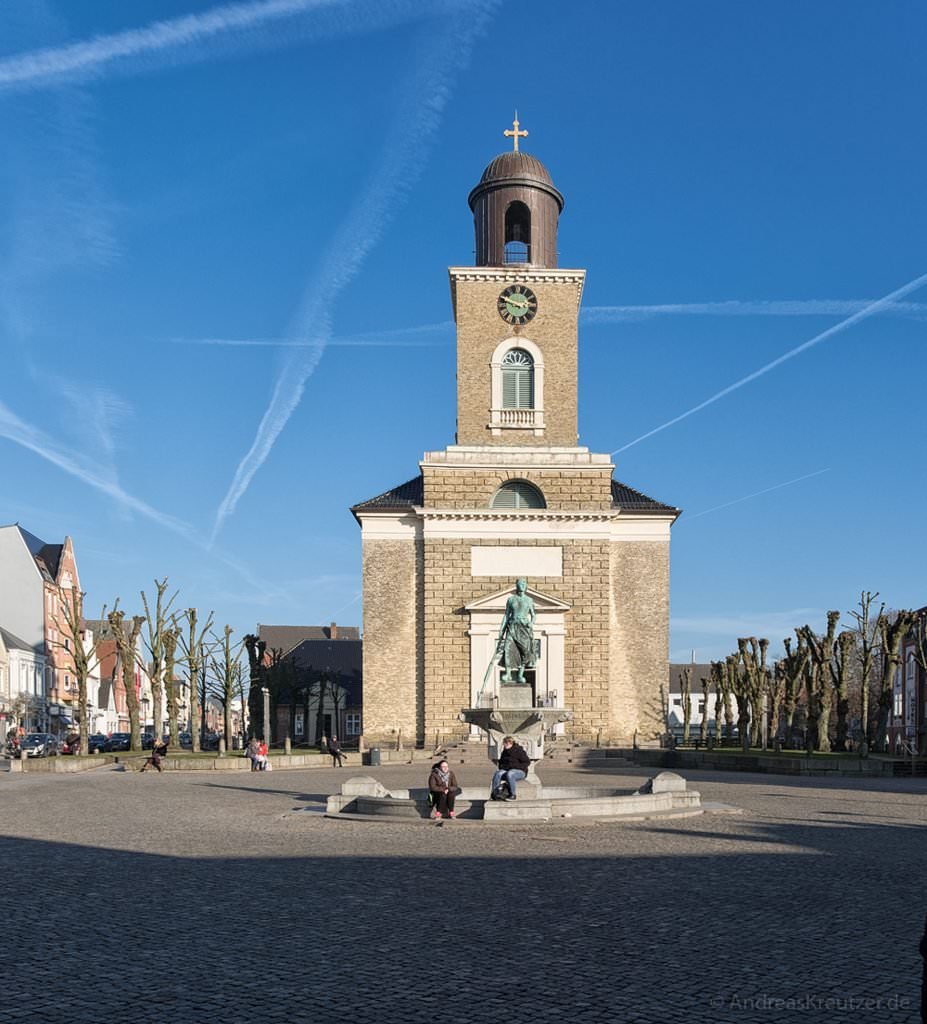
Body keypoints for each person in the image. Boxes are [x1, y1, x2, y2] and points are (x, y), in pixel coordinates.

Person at [497, 578, 536, 683]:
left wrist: (531, 624)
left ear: (526, 586)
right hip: (512, 626)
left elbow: (533, 615)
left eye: (523, 583)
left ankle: (520, 675)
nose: (521, 585)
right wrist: (501, 629)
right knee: (508, 649)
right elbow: (506, 615)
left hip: (524, 628)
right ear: (517, 586)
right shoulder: (511, 600)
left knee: (524, 651)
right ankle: (508, 674)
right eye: (519, 583)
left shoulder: (529, 600)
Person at [491, 736, 529, 800]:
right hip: (507, 770)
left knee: (510, 773)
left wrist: (514, 767)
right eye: (503, 743)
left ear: (509, 743)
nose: (503, 744)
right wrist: (504, 767)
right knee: (498, 773)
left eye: (505, 743)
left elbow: (527, 762)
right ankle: (495, 793)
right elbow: (501, 763)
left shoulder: (519, 751)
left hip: (520, 771)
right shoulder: (505, 752)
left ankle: (513, 795)